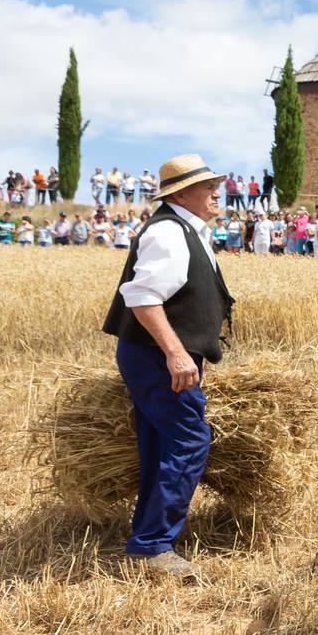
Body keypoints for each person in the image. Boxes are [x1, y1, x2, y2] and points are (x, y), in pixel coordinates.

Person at [101, 154, 234, 579]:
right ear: (179, 193)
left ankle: (147, 537)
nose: (216, 191)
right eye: (206, 185)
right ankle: (153, 546)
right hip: (157, 355)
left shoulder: (187, 230)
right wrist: (176, 353)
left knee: (160, 445)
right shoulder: (168, 233)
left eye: (216, 183)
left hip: (156, 354)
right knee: (190, 440)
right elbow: (142, 298)